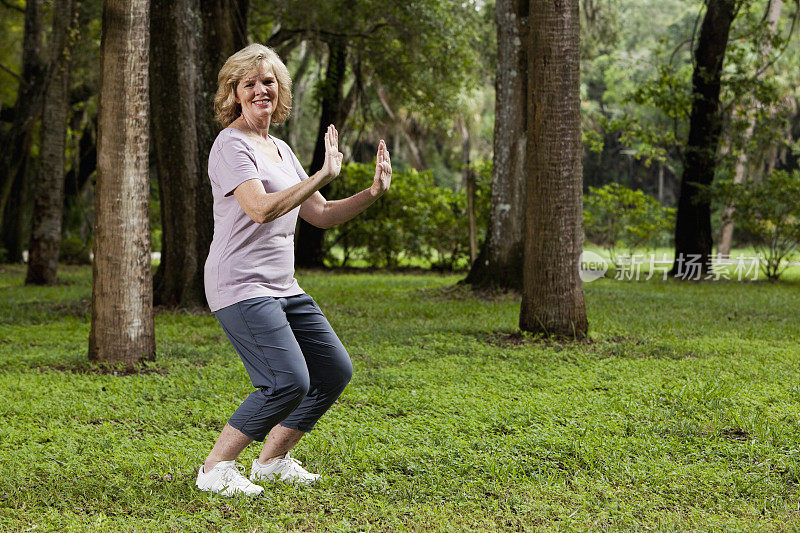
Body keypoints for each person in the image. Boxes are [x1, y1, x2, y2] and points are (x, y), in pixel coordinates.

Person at [195, 43, 392, 496]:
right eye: (250, 83)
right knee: (287, 380)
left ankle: (272, 460)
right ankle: (215, 469)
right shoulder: (231, 145)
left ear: (279, 89)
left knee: (333, 371)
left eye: (269, 81)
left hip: (282, 284)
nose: (261, 89)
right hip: (240, 283)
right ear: (235, 93)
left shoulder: (280, 148)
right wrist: (322, 174)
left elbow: (319, 214)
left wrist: (370, 193)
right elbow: (260, 209)